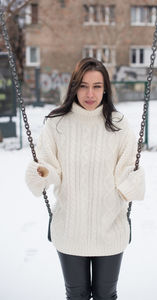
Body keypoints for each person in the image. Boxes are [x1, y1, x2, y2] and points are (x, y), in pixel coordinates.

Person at [25, 57, 145, 300]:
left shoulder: (120, 125)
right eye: (83, 85)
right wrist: (42, 172)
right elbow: (49, 166)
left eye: (97, 86)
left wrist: (132, 180)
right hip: (70, 228)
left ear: (106, 89)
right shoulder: (56, 123)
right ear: (74, 87)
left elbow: (127, 171)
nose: (90, 93)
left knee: (105, 295)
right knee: (76, 295)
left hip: (110, 228)